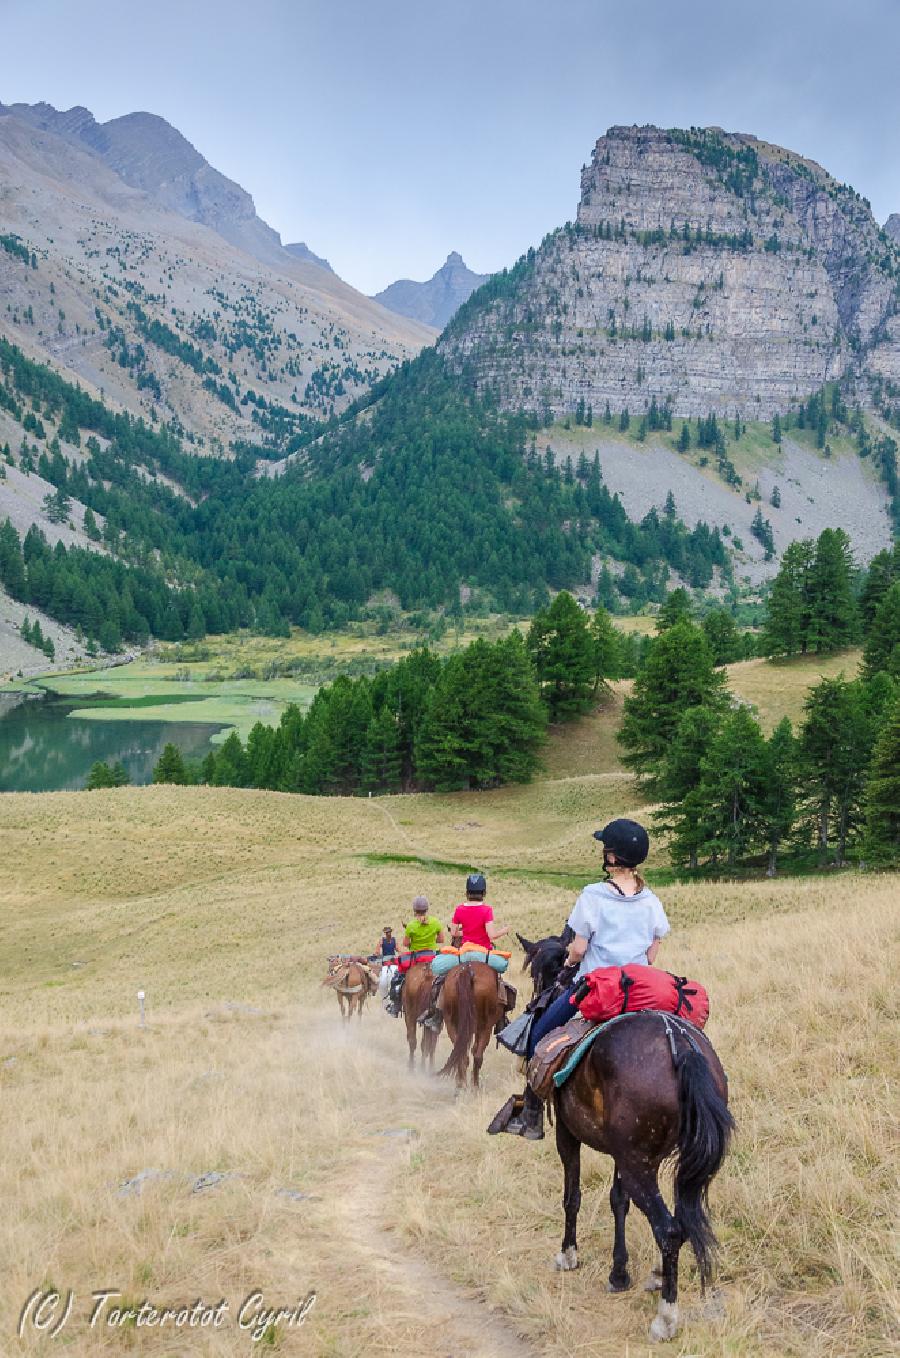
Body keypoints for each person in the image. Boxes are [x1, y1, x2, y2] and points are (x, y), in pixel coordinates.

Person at [496, 818, 669, 1140]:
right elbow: (652, 951)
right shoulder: (651, 900)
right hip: (640, 988)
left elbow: (578, 948)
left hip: (596, 986)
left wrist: (570, 963)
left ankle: (532, 1114)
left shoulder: (594, 895)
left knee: (539, 1035)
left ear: (613, 857)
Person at [419, 873, 511, 1033]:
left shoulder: (460, 909)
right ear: (484, 893)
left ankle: (436, 1014)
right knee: (498, 979)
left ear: (467, 892)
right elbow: (491, 935)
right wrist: (504, 930)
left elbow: (454, 932)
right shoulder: (487, 910)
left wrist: (467, 931)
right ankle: (501, 1019)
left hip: (464, 952)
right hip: (484, 954)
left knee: (442, 981)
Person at [385, 897, 445, 1015]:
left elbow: (405, 943)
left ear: (415, 910)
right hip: (432, 957)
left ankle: (396, 1005)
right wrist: (431, 939)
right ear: (427, 909)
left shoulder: (411, 925)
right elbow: (441, 939)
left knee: (398, 978)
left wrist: (415, 942)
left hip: (415, 958)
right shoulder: (435, 922)